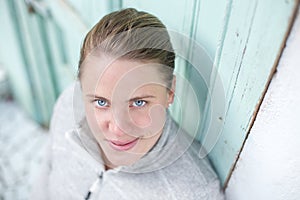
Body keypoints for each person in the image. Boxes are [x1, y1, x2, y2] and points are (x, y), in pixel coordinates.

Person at [31, 8, 224, 200]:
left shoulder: (193, 194)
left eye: (138, 102)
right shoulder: (68, 105)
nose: (118, 129)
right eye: (101, 102)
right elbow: (46, 174)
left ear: (170, 91)